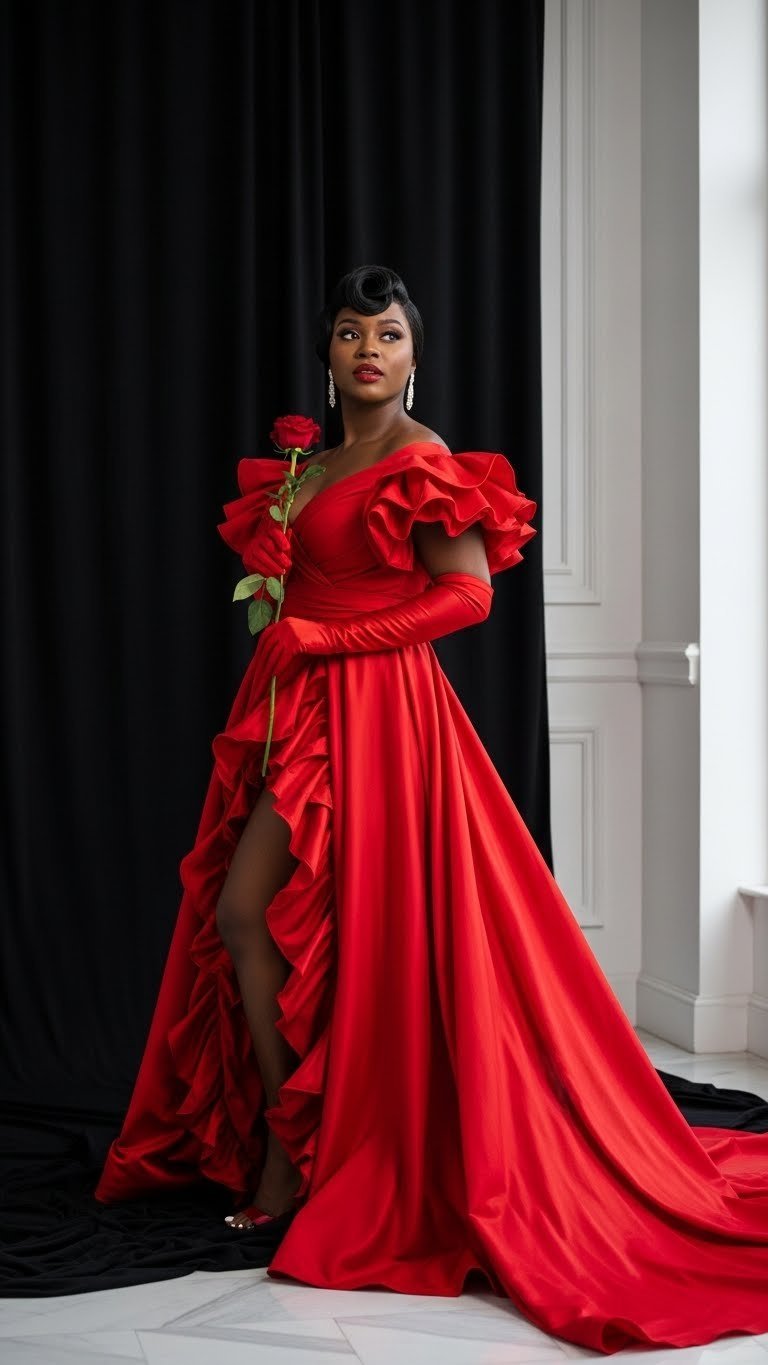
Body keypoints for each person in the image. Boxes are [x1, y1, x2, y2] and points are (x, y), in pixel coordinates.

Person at [95, 265, 768, 1355]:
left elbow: (467, 595)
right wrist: (290, 622)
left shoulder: (423, 459)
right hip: (294, 708)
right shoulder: (315, 464)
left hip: (379, 711)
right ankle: (297, 1141)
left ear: (415, 355)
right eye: (352, 332)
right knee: (257, 920)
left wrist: (327, 637)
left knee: (283, 918)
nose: (370, 350)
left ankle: (299, 1156)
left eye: (390, 335)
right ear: (328, 352)